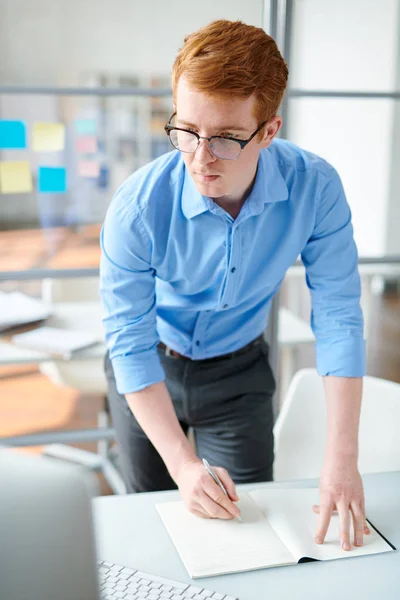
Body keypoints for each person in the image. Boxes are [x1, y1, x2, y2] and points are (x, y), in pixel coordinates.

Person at [100, 19, 369, 551]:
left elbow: (338, 315)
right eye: (187, 130)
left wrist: (342, 459)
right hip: (148, 371)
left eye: (225, 138)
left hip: (239, 372)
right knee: (154, 535)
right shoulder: (136, 209)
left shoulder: (315, 189)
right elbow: (128, 343)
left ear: (269, 131)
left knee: (250, 533)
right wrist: (182, 464)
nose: (200, 159)